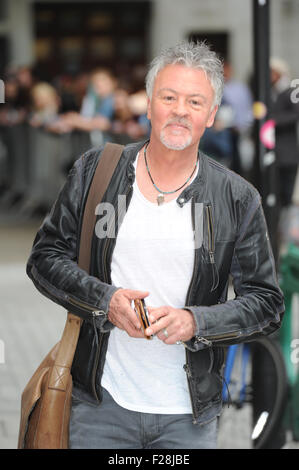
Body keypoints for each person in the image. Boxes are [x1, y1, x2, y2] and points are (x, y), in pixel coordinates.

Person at [26, 41, 284, 449]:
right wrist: (104, 300)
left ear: (211, 115)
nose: (180, 110)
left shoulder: (237, 197)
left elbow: (266, 304)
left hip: (189, 417)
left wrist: (195, 322)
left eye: (195, 101)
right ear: (149, 105)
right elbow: (44, 258)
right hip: (99, 405)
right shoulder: (97, 171)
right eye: (169, 97)